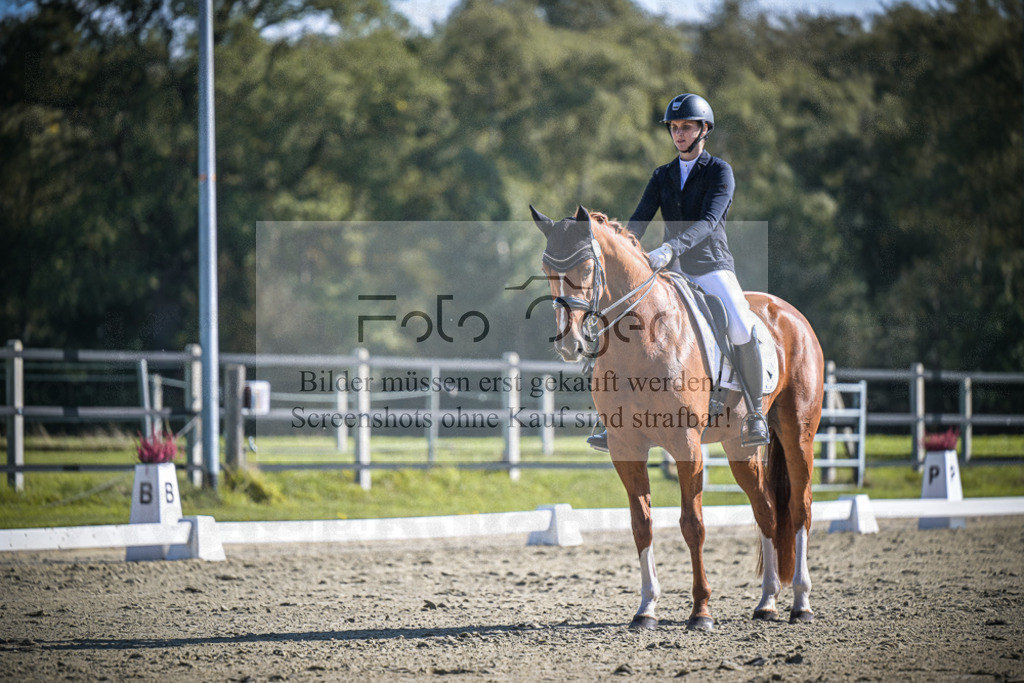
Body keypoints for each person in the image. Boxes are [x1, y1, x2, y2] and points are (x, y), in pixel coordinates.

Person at [587, 92, 770, 451]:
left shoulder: (720, 172)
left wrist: (671, 248)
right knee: (622, 320)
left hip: (711, 267)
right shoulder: (663, 175)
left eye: (686, 127)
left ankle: (755, 413)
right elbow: (638, 221)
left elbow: (708, 221)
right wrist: (622, 251)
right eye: (674, 128)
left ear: (704, 130)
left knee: (738, 321)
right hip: (669, 272)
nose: (679, 134)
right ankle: (613, 416)